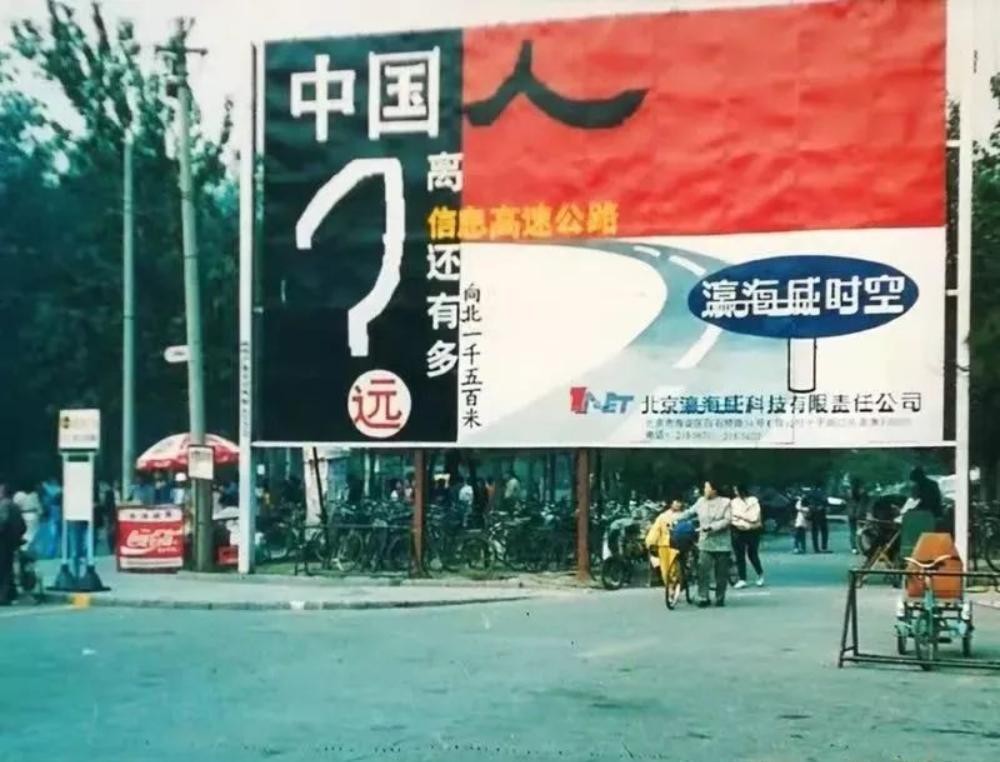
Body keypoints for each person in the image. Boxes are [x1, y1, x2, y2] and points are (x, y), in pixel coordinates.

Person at [675, 481, 733, 608]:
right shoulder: (701, 501)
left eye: (707, 488)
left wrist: (712, 527)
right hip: (705, 541)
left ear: (714, 490)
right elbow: (689, 512)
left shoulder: (726, 502)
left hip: (722, 543)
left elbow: (727, 520)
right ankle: (703, 597)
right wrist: (675, 518)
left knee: (721, 573)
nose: (704, 490)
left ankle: (720, 597)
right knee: (703, 569)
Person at [645, 499, 685, 587]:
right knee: (665, 567)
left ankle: (673, 583)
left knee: (671, 566)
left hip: (677, 543)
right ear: (671, 504)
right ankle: (670, 584)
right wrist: (651, 542)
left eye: (679, 502)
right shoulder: (663, 517)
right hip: (665, 544)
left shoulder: (684, 516)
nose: (677, 504)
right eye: (676, 502)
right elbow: (655, 530)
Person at [731, 484, 765, 588]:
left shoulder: (753, 501)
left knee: (753, 554)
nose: (735, 492)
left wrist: (741, 516)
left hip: (753, 531)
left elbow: (754, 517)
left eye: (736, 490)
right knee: (739, 555)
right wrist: (746, 517)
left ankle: (760, 575)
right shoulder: (734, 502)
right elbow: (733, 516)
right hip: (738, 530)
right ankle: (742, 579)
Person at [0, 483, 27, 605]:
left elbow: (3, 522)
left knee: (3, 570)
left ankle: (3, 596)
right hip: (12, 542)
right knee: (8, 568)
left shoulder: (3, 505)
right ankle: (10, 594)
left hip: (3, 541)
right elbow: (23, 526)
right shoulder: (15, 506)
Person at [846, 479, 868, 555]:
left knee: (852, 531)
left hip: (851, 514)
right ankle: (862, 546)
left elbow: (847, 501)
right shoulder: (862, 492)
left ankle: (854, 548)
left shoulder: (849, 493)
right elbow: (864, 503)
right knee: (863, 530)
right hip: (860, 514)